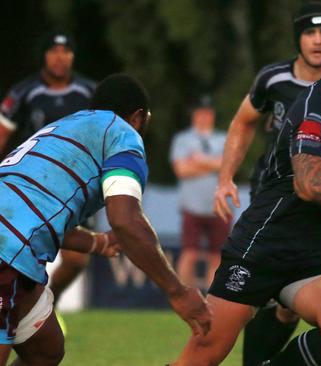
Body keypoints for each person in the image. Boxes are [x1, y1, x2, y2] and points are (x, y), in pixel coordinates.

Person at [174, 9, 321, 365]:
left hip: (311, 254)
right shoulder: (313, 106)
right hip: (261, 246)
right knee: (205, 354)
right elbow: (308, 184)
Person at [0, 74, 211, 365]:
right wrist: (178, 292)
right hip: (6, 255)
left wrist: (97, 243)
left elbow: (34, 211)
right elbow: (124, 219)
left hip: (9, 241)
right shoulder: (123, 134)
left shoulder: (63, 127)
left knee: (45, 348)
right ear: (138, 117)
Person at [212, 2, 321, 364]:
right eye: (309, 32)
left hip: (319, 208)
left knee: (291, 305)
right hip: (271, 197)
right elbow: (243, 121)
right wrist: (225, 178)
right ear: (297, 37)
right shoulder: (274, 79)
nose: (317, 41)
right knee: (261, 290)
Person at [0, 31, 97, 313]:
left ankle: (46, 305)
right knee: (23, 254)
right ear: (44, 55)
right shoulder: (24, 92)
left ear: (73, 56)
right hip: (32, 187)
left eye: (66, 52)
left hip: (75, 188)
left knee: (77, 260)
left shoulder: (89, 92)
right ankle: (22, 311)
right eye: (54, 51)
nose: (60, 57)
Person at [170, 95, 229, 289]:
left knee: (217, 254)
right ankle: (185, 294)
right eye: (201, 113)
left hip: (219, 204)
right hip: (192, 204)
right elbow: (181, 170)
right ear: (194, 115)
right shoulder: (183, 139)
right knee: (190, 252)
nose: (204, 117)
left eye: (208, 113)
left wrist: (199, 160)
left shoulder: (223, 138)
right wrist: (214, 163)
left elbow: (228, 164)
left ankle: (213, 297)